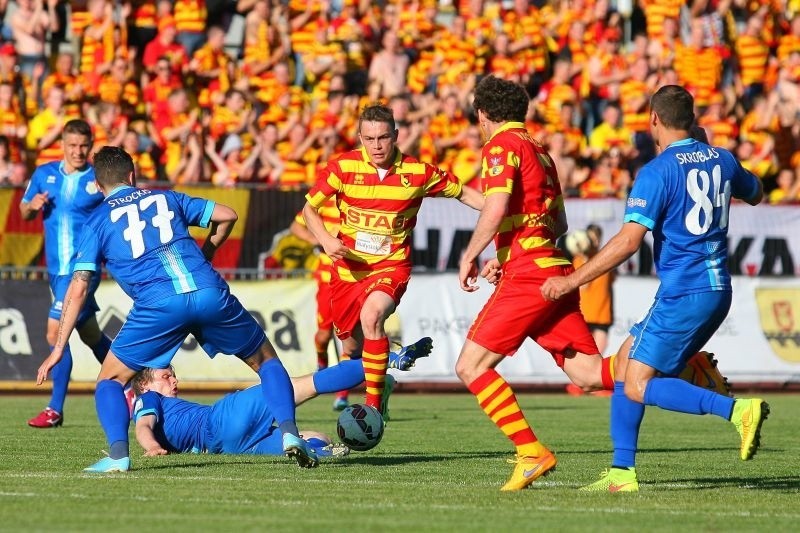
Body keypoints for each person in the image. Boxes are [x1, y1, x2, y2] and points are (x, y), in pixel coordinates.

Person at [541, 85, 769, 492]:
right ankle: (621, 472)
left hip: (685, 292)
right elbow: (757, 193)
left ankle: (738, 412)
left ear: (653, 120)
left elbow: (629, 241)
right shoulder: (724, 159)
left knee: (637, 384)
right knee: (625, 363)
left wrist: (572, 280)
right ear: (693, 121)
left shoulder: (656, 172)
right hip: (714, 289)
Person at [35, 146, 315, 473]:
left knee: (110, 380)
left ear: (97, 186)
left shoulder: (97, 220)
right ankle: (290, 434)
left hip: (159, 305)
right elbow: (228, 215)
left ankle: (117, 456)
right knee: (267, 362)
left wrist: (58, 349)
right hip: (209, 290)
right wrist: (207, 252)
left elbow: (79, 286)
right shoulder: (167, 198)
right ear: (132, 175)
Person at [453, 75, 615, 492]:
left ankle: (531, 452)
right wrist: (505, 256)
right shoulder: (542, 154)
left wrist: (473, 253)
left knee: (470, 367)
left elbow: (496, 206)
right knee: (591, 375)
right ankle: (691, 370)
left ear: (483, 115)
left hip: (530, 275)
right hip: (553, 270)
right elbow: (558, 223)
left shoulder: (501, 146)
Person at [302, 103, 484, 416]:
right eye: (370, 138)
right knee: (350, 349)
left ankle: (372, 408)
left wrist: (503, 210)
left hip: (391, 267)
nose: (376, 145)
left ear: (396, 136)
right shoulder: (342, 168)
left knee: (373, 316)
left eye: (383, 138)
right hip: (348, 273)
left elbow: (465, 194)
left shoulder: (417, 173)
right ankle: (386, 372)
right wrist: (326, 240)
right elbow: (309, 209)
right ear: (360, 138)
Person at [289, 203, 434, 411]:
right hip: (329, 277)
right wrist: (321, 238)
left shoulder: (363, 200)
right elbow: (296, 225)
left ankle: (345, 396)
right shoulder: (323, 201)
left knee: (365, 328)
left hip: (364, 274)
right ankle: (386, 363)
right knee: (336, 341)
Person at [131, 353, 412, 458]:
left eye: (173, 374)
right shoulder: (148, 399)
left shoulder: (166, 406)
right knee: (301, 385)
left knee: (319, 438)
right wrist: (152, 447)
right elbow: (143, 426)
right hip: (220, 420)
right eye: (166, 377)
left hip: (228, 448)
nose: (174, 380)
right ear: (144, 386)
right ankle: (383, 360)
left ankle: (326, 452)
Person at [20, 119, 113, 428]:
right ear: (62, 144)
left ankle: (55, 409)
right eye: (72, 145)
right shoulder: (44, 174)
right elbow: (23, 210)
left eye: (83, 146)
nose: (78, 151)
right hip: (56, 270)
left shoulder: (98, 178)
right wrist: (31, 206)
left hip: (83, 269)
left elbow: (119, 207)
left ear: (90, 145)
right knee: (91, 335)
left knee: (53, 331)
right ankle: (137, 388)